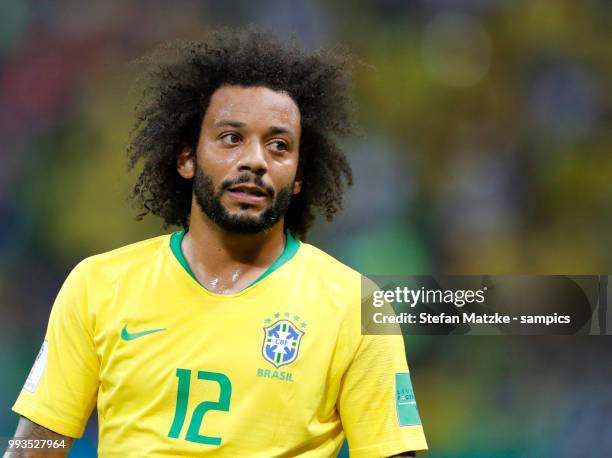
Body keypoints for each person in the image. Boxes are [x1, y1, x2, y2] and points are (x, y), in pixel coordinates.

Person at [7, 27, 428, 457]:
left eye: (279, 146)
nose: (255, 160)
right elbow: (37, 444)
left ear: (299, 176)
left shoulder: (356, 306)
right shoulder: (97, 286)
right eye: (232, 138)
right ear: (186, 158)